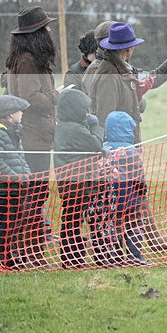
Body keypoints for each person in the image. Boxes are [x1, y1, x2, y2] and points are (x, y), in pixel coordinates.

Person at [86, 21, 167, 252]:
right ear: (126, 48)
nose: (133, 50)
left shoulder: (122, 69)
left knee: (134, 194)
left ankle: (147, 239)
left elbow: (150, 79)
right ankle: (127, 245)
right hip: (117, 151)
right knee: (124, 198)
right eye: (132, 46)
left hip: (127, 147)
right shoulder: (108, 75)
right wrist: (113, 154)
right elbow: (104, 117)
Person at [5, 6, 62, 262]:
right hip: (31, 137)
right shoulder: (27, 60)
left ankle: (30, 247)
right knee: (34, 194)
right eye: (46, 27)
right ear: (36, 33)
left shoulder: (30, 58)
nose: (50, 30)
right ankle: (25, 248)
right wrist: (56, 95)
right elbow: (30, 98)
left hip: (37, 135)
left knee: (36, 194)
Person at [53, 88, 106, 268]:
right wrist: (96, 126)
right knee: (73, 222)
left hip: (70, 182)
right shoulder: (74, 129)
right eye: (83, 109)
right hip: (78, 183)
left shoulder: (64, 126)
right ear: (74, 109)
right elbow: (96, 144)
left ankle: (72, 258)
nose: (86, 112)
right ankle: (72, 258)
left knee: (71, 219)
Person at [0, 95, 32, 270]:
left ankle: (11, 256)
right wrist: (15, 177)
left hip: (17, 187)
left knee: (15, 224)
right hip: (4, 189)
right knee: (3, 224)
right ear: (11, 114)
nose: (22, 114)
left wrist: (27, 174)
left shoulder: (14, 132)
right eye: (20, 112)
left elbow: (21, 157)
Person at [103, 111, 151, 265]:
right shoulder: (131, 151)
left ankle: (116, 256)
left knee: (114, 226)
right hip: (131, 198)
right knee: (133, 226)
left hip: (110, 199)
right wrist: (142, 192)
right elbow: (138, 175)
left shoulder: (103, 150)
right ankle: (135, 256)